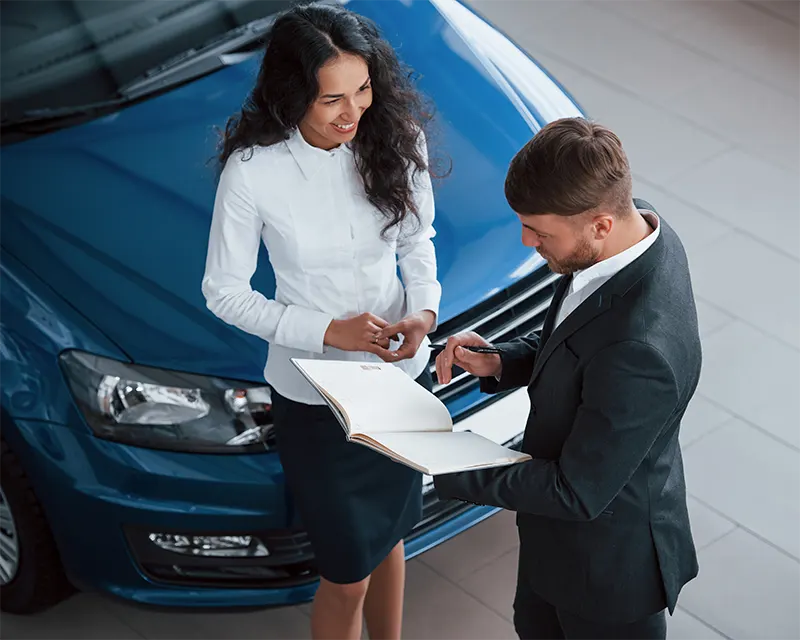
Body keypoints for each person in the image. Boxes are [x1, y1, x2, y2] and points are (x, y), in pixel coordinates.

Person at [201, 4, 442, 639]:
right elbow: (224, 293)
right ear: (291, 94)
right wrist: (326, 331)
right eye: (332, 98)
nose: (353, 112)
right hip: (314, 397)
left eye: (362, 89)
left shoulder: (395, 137)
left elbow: (419, 242)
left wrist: (422, 310)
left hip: (397, 380)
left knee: (391, 534)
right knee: (346, 570)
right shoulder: (253, 174)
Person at [433, 117, 701, 640]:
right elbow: (582, 341)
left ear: (600, 224)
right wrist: (501, 360)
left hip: (606, 577)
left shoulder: (640, 350)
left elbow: (576, 491)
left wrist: (442, 465)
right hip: (555, 546)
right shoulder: (636, 230)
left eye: (540, 231)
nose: (526, 240)